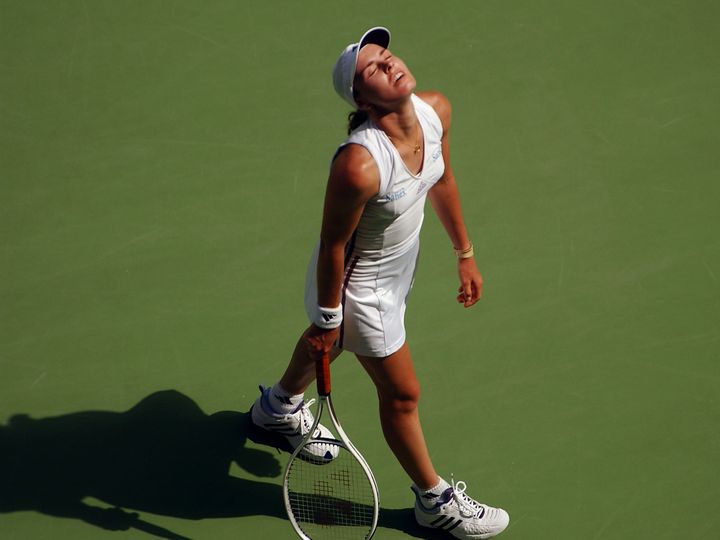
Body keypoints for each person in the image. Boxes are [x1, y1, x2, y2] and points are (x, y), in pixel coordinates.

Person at [251, 27, 509, 539]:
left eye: (387, 55)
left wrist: (465, 254)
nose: (390, 64)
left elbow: (444, 178)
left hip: (398, 271)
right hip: (358, 291)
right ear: (363, 100)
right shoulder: (360, 164)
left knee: (332, 347)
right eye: (373, 69)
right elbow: (332, 247)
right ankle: (434, 502)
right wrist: (329, 317)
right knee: (402, 395)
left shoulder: (436, 111)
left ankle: (276, 409)